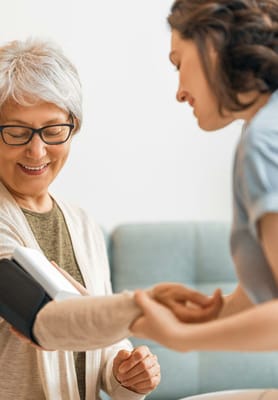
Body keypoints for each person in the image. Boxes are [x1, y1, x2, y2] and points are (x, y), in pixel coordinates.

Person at [0, 38, 160, 400]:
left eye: (53, 130)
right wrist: (144, 311)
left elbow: (97, 349)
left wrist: (125, 374)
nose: (37, 150)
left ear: (74, 126)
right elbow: (55, 321)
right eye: (17, 132)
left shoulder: (83, 224)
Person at [131, 0, 278, 353]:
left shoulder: (262, 142)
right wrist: (204, 315)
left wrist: (180, 339)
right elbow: (265, 292)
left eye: (178, 63)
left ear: (211, 44)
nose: (179, 92)